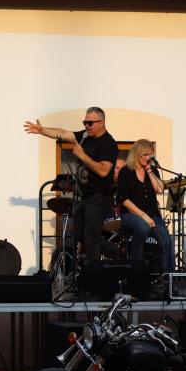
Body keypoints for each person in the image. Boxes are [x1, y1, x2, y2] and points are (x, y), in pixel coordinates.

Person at [24, 107, 118, 261]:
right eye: (84, 122)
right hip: (86, 196)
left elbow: (103, 171)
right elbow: (64, 133)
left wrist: (82, 155)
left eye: (90, 123)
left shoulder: (108, 143)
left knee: (91, 236)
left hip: (100, 196)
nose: (86, 125)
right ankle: (115, 251)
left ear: (101, 122)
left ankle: (94, 270)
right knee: (78, 232)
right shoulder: (85, 136)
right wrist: (42, 130)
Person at [117, 139, 175, 273]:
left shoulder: (152, 170)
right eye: (146, 154)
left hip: (153, 215)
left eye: (150, 155)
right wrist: (143, 215)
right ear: (137, 153)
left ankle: (169, 277)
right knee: (143, 226)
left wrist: (149, 170)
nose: (148, 158)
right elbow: (124, 200)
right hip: (131, 214)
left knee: (166, 242)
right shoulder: (126, 172)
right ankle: (135, 263)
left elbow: (160, 189)